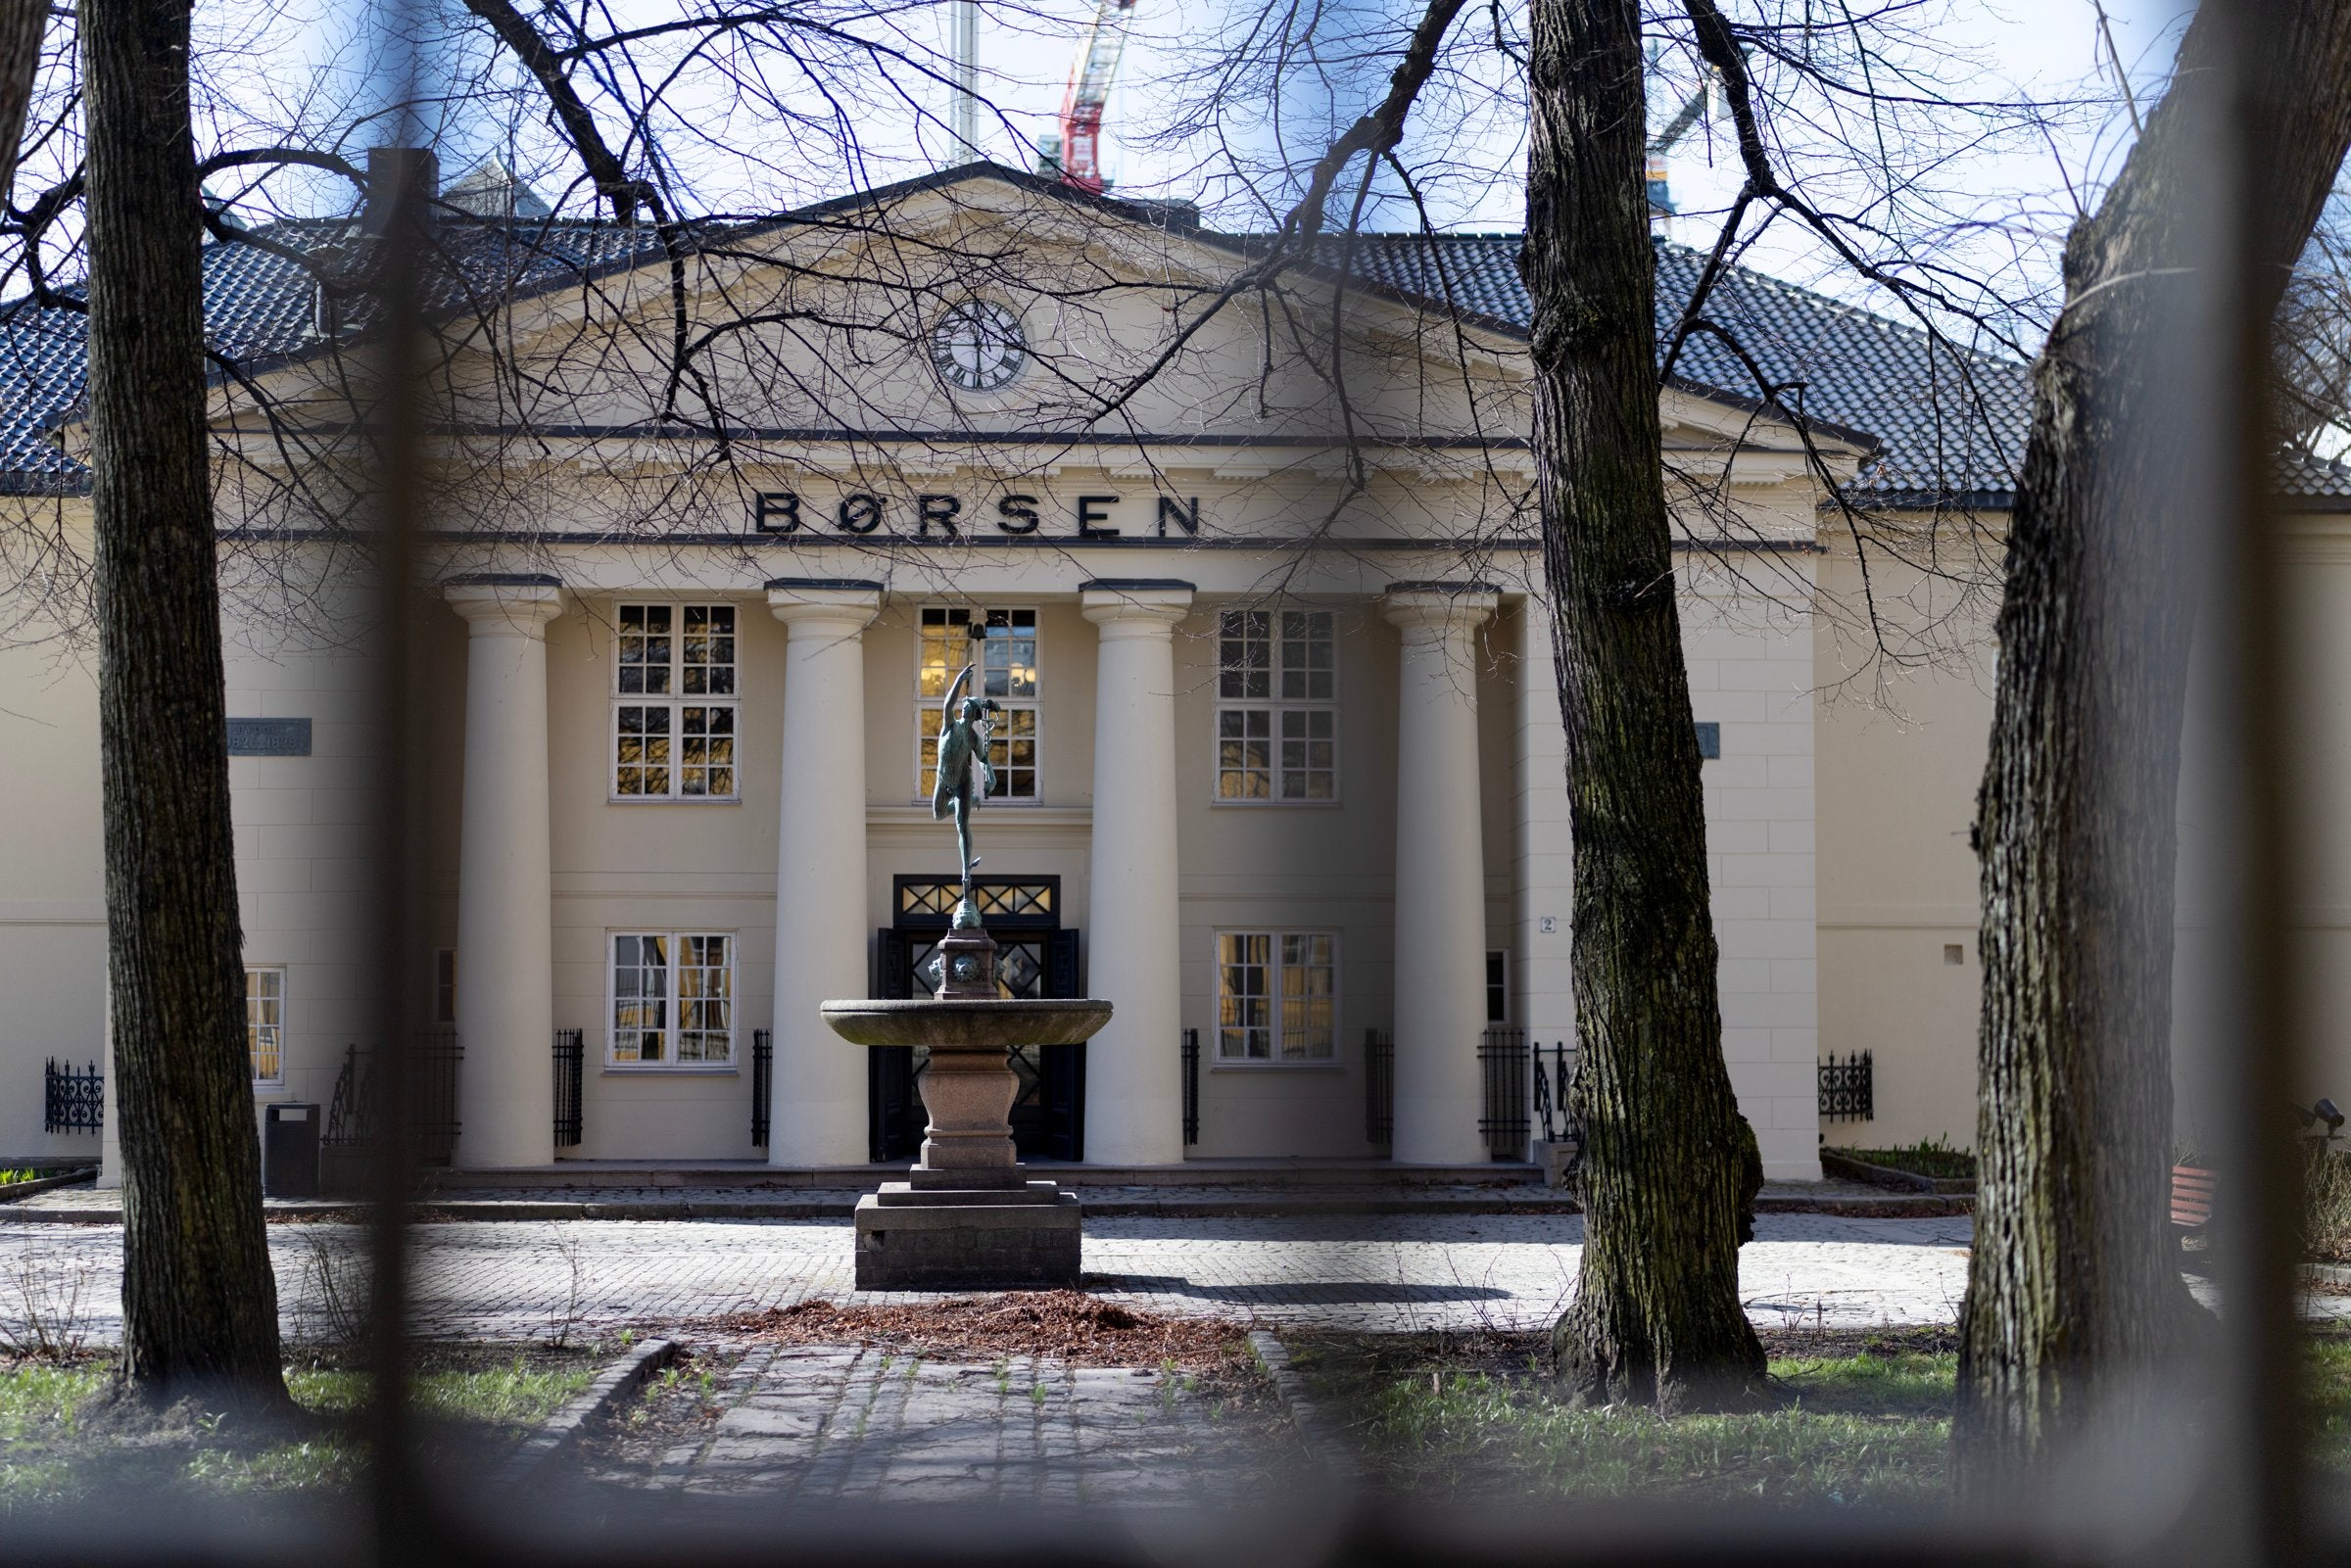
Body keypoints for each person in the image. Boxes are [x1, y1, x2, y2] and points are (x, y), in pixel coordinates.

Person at [931, 663, 1000, 908]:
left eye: (972, 708)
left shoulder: (972, 736)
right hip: (943, 779)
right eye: (967, 705)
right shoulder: (951, 725)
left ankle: (965, 872)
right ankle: (972, 801)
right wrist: (960, 679)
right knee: (938, 813)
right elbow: (947, 704)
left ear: (974, 715)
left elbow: (983, 759)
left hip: (961, 779)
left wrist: (990, 776)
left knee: (962, 823)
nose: (967, 709)